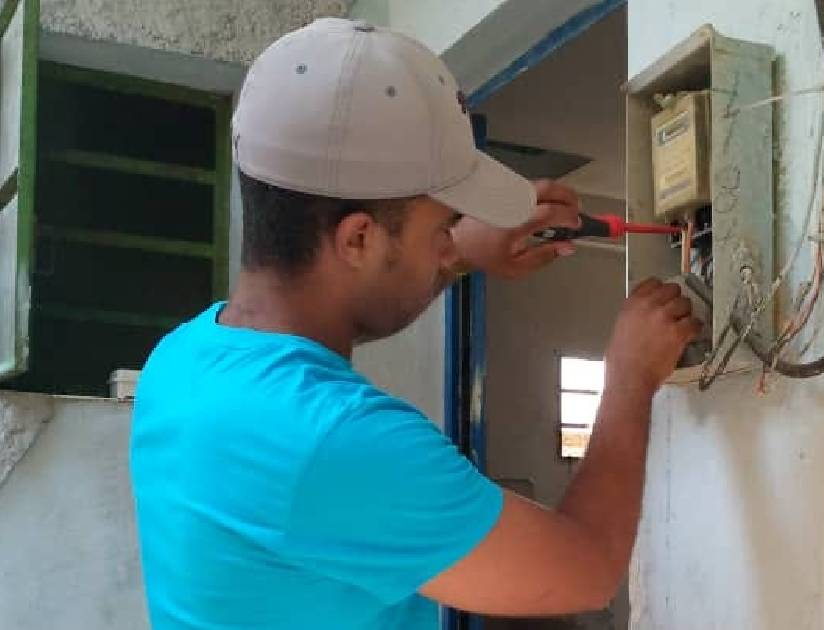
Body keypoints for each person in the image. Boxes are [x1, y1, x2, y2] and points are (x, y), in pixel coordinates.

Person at [129, 18, 700, 629]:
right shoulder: (342, 443)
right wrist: (629, 378)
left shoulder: (182, 360)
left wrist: (457, 252)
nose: (447, 244)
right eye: (442, 226)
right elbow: (588, 570)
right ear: (359, 239)